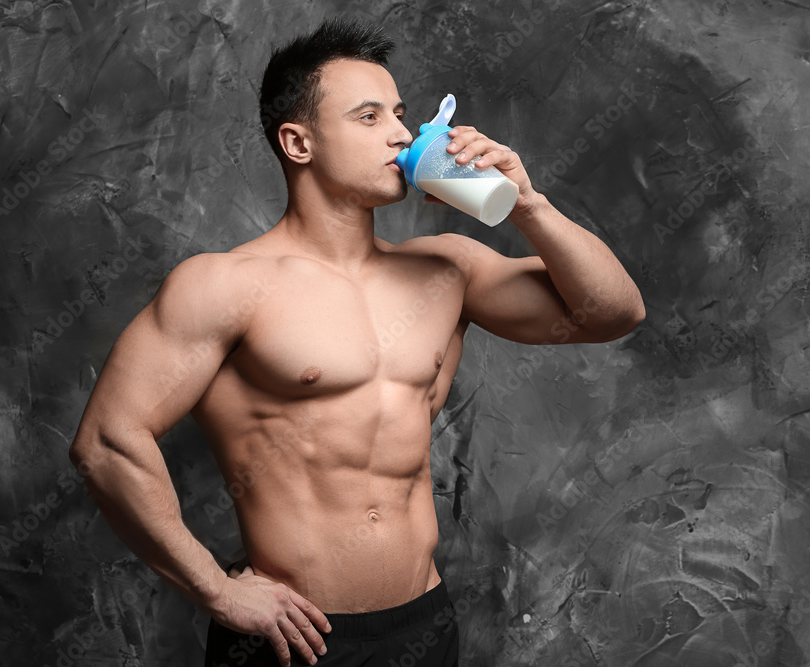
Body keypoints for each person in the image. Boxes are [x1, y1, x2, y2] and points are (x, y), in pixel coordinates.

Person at [68, 17, 645, 667]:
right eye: (369, 117)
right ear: (299, 142)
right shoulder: (225, 285)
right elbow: (107, 442)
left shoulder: (447, 269)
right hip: (292, 638)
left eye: (400, 114)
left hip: (423, 625)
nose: (401, 133)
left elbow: (613, 311)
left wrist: (527, 203)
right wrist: (214, 590)